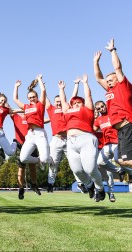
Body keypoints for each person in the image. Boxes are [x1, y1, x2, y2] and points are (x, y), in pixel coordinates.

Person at [58, 74, 105, 202]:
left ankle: (100, 189)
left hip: (86, 139)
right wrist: (61, 89)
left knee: (89, 168)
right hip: (71, 142)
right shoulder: (68, 110)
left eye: (79, 102)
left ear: (83, 103)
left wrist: (85, 83)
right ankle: (89, 186)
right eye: (74, 103)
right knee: (77, 170)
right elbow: (63, 101)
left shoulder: (87, 110)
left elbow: (88, 96)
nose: (76, 104)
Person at [93, 38, 132, 168]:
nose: (108, 82)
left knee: (126, 161)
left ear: (118, 79)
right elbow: (99, 78)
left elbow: (118, 67)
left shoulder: (122, 86)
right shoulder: (110, 90)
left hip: (127, 126)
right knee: (120, 161)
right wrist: (95, 62)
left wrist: (112, 51)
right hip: (120, 130)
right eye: (107, 81)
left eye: (111, 80)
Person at [45, 77, 81, 192]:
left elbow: (72, 98)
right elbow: (44, 97)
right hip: (56, 139)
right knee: (53, 163)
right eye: (57, 102)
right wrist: (42, 85)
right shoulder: (51, 109)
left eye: (60, 101)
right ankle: (50, 184)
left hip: (68, 139)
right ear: (54, 102)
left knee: (74, 161)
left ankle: (80, 183)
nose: (59, 103)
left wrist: (76, 84)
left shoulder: (67, 108)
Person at [13, 74, 51, 169]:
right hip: (30, 135)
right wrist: (16, 87)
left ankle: (48, 159)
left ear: (37, 97)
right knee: (23, 158)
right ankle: (38, 160)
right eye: (30, 97)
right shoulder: (26, 107)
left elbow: (43, 90)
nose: (32, 99)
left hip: (40, 133)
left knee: (45, 159)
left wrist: (39, 79)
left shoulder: (40, 105)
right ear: (28, 99)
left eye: (33, 97)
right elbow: (15, 100)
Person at [10, 113, 41, 199]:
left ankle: (34, 185)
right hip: (21, 145)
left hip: (31, 145)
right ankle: (21, 189)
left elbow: (42, 120)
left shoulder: (31, 117)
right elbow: (7, 108)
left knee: (32, 167)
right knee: (21, 168)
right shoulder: (16, 116)